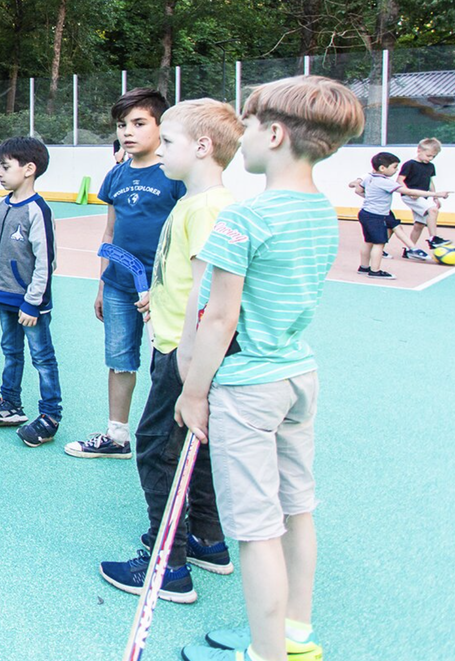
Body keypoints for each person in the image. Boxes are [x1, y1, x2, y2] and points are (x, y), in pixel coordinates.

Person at [175, 76, 366, 661]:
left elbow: (219, 318)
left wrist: (193, 392)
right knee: (295, 508)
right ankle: (293, 633)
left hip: (246, 386)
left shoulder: (245, 218)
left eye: (252, 126)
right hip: (295, 376)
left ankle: (265, 651)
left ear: (275, 134)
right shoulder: (322, 211)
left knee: (257, 530)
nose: (246, 136)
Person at [98, 99, 241, 605]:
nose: (162, 152)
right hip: (176, 342)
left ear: (202, 148)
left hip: (182, 351)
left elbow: (208, 299)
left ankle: (169, 565)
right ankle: (207, 540)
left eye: (171, 142)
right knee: (189, 447)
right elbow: (181, 280)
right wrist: (155, 299)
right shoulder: (193, 203)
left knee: (157, 446)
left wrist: (186, 368)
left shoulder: (207, 207)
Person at [66, 88, 186, 460]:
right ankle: (117, 435)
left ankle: (173, 438)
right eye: (122, 125)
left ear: (161, 126)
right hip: (119, 285)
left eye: (138, 123)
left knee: (168, 364)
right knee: (120, 360)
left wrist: (168, 287)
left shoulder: (175, 175)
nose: (127, 132)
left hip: (164, 290)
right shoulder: (116, 175)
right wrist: (103, 284)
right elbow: (109, 234)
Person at [0, 137, 63, 447]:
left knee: (42, 357)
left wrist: (33, 302)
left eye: (5, 167)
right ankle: (10, 404)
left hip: (31, 305)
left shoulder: (38, 210)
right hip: (3, 296)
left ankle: (50, 414)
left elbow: (46, 261)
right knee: (11, 352)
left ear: (29, 169)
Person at [349, 152, 447, 280]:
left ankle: (364, 267)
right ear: (383, 168)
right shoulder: (386, 182)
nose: (396, 170)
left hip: (365, 213)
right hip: (376, 216)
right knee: (379, 244)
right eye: (394, 167)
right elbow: (408, 191)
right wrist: (437, 194)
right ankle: (375, 271)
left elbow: (359, 190)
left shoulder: (369, 177)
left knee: (368, 241)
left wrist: (372, 197)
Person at [400, 138, 448, 249]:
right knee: (433, 210)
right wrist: (408, 191)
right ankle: (433, 239)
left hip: (423, 197)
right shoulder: (410, 164)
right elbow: (399, 180)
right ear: (419, 150)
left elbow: (430, 182)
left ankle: (409, 249)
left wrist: (435, 197)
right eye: (428, 155)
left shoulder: (431, 167)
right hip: (410, 196)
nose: (430, 159)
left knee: (419, 225)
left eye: (433, 157)